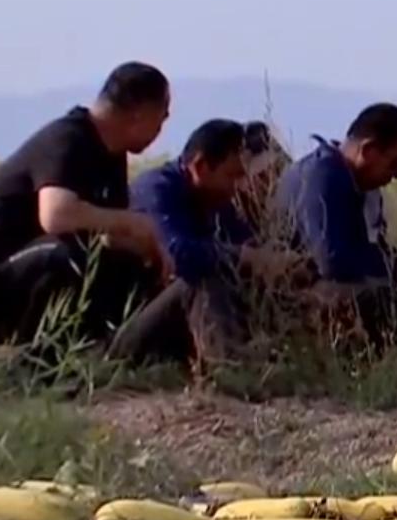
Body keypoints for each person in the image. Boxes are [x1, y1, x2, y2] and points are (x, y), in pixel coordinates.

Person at [0, 62, 172, 347]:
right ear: (139, 115)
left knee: (129, 268)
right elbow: (56, 215)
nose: (161, 128)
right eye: (161, 117)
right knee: (66, 255)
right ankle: (33, 357)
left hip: (40, 268)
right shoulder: (68, 139)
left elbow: (110, 234)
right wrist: (131, 222)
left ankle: (108, 350)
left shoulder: (111, 154)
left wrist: (152, 251)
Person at [111, 119, 306, 365]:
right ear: (201, 166)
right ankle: (230, 368)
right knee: (201, 277)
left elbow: (245, 244)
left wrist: (280, 263)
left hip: (172, 326)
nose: (238, 186)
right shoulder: (156, 191)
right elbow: (178, 255)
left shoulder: (215, 202)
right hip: (128, 328)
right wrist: (247, 257)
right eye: (233, 176)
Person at [275, 103, 397, 349]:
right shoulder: (324, 176)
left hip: (315, 286)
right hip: (293, 296)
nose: (396, 175)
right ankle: (336, 363)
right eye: (395, 163)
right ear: (368, 150)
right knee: (389, 297)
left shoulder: (353, 182)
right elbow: (332, 260)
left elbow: (368, 250)